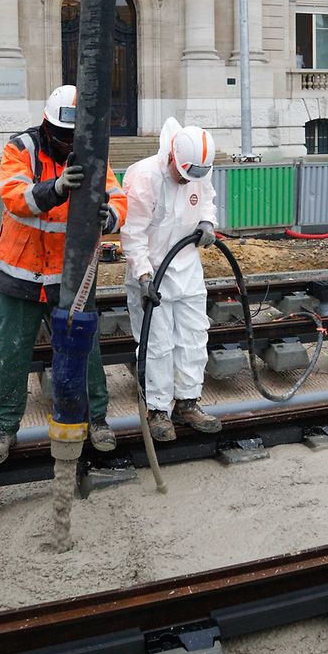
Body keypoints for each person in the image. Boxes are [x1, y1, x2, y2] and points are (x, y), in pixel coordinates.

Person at [0, 86, 127, 466]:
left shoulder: (93, 153)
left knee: (86, 351)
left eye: (72, 137)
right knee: (12, 353)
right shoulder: (22, 149)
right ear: (47, 125)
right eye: (62, 136)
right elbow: (15, 196)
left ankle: (96, 421)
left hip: (70, 275)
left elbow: (118, 196)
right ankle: (2, 430)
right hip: (21, 273)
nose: (66, 144)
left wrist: (109, 216)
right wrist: (56, 188)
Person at [120, 117, 221, 441]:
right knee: (157, 345)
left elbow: (207, 197)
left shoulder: (198, 166)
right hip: (152, 273)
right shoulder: (144, 176)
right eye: (184, 173)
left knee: (194, 336)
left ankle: (188, 402)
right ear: (172, 157)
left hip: (188, 267)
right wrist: (143, 276)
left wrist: (206, 221)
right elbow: (132, 233)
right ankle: (157, 410)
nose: (188, 180)